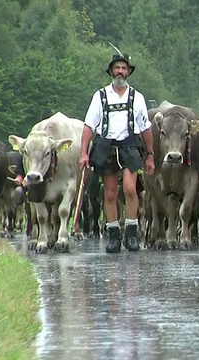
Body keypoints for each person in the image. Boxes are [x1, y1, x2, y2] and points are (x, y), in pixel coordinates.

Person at [80, 49, 155, 253]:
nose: (120, 72)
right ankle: (113, 234)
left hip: (130, 145)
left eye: (123, 68)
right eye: (117, 68)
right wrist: (84, 153)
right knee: (111, 192)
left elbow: (146, 127)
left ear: (128, 72)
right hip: (106, 146)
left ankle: (131, 232)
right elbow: (89, 126)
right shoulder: (100, 96)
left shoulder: (137, 97)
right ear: (111, 72)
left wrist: (150, 155)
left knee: (130, 188)